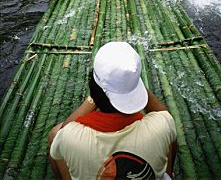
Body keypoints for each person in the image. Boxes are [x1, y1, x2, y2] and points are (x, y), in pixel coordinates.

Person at [48, 42, 177, 180]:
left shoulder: (69, 137)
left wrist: (96, 96)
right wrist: (131, 84)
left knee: (54, 133)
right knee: (169, 136)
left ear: (93, 87)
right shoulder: (162, 125)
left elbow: (65, 128)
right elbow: (164, 114)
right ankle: (168, 174)